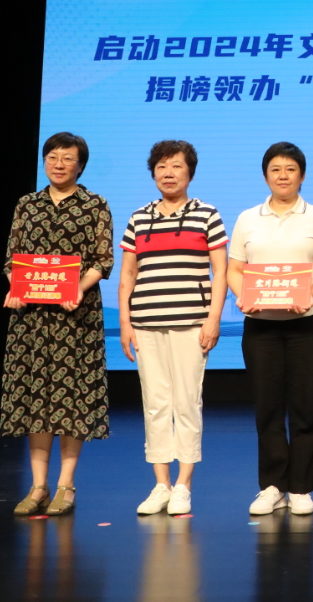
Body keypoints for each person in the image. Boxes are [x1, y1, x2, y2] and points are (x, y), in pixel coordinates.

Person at [2, 132, 114, 516]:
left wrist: (77, 289)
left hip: (75, 316)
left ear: (80, 165)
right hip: (32, 318)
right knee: (36, 398)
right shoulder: (27, 204)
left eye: (67, 158)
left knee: (72, 398)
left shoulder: (94, 204)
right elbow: (13, 259)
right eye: (52, 156)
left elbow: (102, 260)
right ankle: (38, 486)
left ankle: (66, 484)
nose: (59, 163)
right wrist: (16, 288)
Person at [227, 142, 313, 516]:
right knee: (268, 408)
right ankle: (273, 486)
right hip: (260, 327)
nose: (283, 175)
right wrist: (244, 295)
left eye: (290, 169)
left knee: (305, 408)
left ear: (302, 175)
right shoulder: (248, 218)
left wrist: (309, 292)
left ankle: (301, 487)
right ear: (265, 176)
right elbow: (234, 269)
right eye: (275, 169)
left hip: (307, 325)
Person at [117, 140, 229, 516]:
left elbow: (220, 272)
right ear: (153, 173)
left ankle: (183, 485)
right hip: (146, 324)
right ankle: (161, 484)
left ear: (189, 173)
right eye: (161, 167)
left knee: (186, 403)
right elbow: (128, 275)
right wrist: (125, 323)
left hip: (191, 324)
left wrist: (213, 318)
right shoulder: (139, 218)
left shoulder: (206, 214)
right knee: (155, 404)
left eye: (176, 166)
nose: (168, 173)